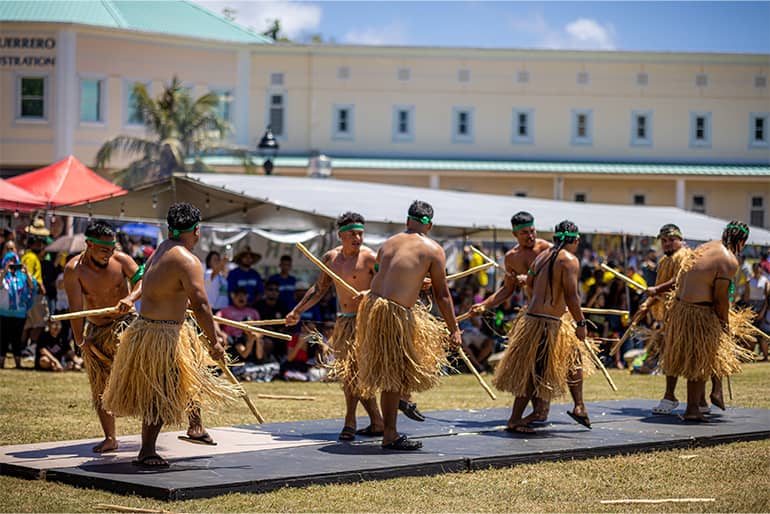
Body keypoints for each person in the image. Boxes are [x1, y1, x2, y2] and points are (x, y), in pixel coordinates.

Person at [102, 203, 237, 467]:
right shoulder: (187, 259)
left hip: (150, 329)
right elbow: (201, 304)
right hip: (162, 336)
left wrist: (171, 298)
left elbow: (153, 283)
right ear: (196, 230)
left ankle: (195, 427)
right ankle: (147, 451)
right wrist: (214, 342)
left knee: (190, 375)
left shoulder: (161, 250)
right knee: (161, 391)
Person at [355, 200, 462, 450]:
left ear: (407, 221)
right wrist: (454, 328)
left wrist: (417, 282)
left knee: (399, 368)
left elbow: (391, 273)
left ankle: (401, 402)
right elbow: (443, 295)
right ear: (430, 225)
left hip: (373, 307)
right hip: (392, 313)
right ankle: (390, 434)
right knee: (393, 373)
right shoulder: (433, 249)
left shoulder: (388, 243)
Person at [473, 212, 592, 428]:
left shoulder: (542, 254)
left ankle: (577, 406)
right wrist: (582, 323)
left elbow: (534, 281)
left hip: (542, 320)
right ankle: (526, 415)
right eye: (524, 232)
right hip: (545, 322)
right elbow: (572, 296)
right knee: (536, 369)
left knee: (572, 358)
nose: (530, 236)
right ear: (575, 240)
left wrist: (525, 279)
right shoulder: (567, 259)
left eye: (532, 231)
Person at [286, 212, 385, 440]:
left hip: (369, 321)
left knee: (359, 374)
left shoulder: (370, 258)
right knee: (350, 373)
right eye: (352, 234)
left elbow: (385, 285)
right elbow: (319, 289)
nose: (358, 238)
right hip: (345, 322)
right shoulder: (331, 259)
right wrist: (297, 311)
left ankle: (368, 421)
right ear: (341, 236)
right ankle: (362, 421)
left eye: (360, 233)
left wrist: (368, 293)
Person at [62, 220, 142, 453]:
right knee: (99, 386)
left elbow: (142, 280)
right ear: (88, 244)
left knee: (139, 374)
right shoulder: (74, 269)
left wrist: (131, 298)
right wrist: (80, 341)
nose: (109, 253)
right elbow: (75, 309)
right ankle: (110, 437)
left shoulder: (122, 260)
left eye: (111, 248)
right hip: (96, 330)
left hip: (126, 326)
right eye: (104, 249)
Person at [661, 221, 751, 422]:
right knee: (698, 360)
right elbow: (720, 300)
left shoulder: (707, 246)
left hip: (681, 307)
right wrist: (725, 324)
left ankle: (705, 400)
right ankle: (693, 409)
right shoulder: (729, 260)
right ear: (742, 241)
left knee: (704, 356)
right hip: (698, 311)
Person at [642, 224, 693, 415]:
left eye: (671, 240)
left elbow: (680, 280)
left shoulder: (686, 257)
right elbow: (660, 287)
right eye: (664, 241)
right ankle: (671, 396)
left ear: (680, 239)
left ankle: (682, 398)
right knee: (671, 354)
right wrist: (649, 302)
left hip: (687, 314)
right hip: (672, 317)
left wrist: (656, 291)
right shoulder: (664, 261)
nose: (668, 244)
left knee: (684, 355)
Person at [0, 241, 36, 368]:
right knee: (2, 338)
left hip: (19, 313)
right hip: (3, 312)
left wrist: (26, 273)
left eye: (12, 248)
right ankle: (1, 363)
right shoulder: (1, 272)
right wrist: (4, 272)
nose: (10, 251)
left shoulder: (22, 273)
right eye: (7, 248)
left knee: (17, 339)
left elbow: (32, 287)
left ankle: (18, 364)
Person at [21, 219, 51, 353]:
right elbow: (29, 274)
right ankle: (30, 348)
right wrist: (39, 285)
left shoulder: (29, 256)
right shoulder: (31, 257)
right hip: (35, 294)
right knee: (41, 321)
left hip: (29, 294)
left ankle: (22, 348)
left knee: (29, 323)